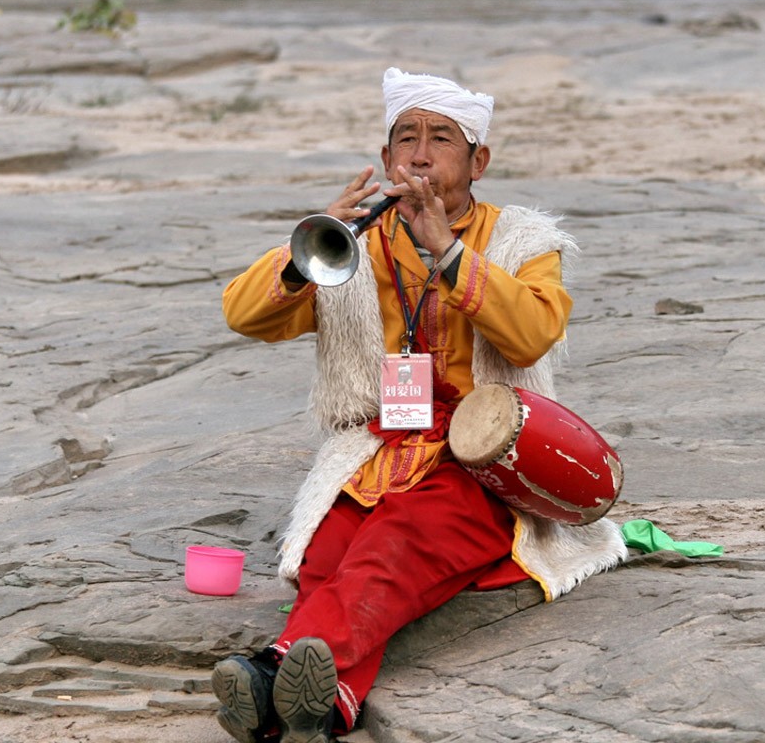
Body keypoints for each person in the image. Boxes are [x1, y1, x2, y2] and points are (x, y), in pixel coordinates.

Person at [213, 67, 628, 743]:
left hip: (485, 455)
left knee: (391, 548)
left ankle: (272, 675)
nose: (420, 154)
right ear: (385, 159)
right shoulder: (356, 243)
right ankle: (325, 701)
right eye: (405, 139)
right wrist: (307, 245)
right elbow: (243, 314)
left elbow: (533, 332)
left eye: (441, 139)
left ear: (479, 161)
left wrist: (450, 252)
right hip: (379, 449)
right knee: (325, 558)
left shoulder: (523, 240)